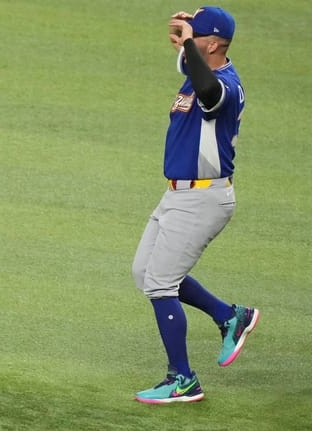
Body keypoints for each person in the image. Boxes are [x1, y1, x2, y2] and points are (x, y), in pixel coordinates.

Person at [131, 7, 260, 404]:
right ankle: (229, 316)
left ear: (214, 45)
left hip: (203, 197)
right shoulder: (197, 69)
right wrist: (189, 39)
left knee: (160, 282)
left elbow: (208, 91)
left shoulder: (224, 85)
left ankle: (183, 379)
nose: (186, 39)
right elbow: (191, 68)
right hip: (178, 194)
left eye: (196, 35)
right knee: (144, 272)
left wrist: (191, 42)